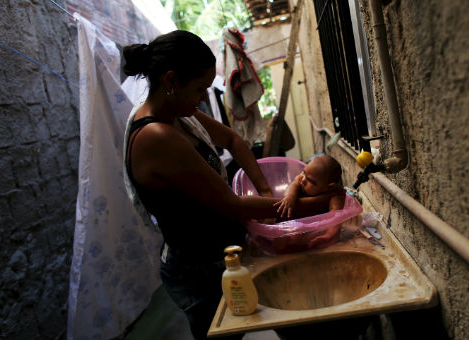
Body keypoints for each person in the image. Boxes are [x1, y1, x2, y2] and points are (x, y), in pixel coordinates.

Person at [121, 31, 335, 340]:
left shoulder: (180, 115)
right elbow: (230, 204)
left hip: (221, 255)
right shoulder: (157, 136)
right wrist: (320, 203)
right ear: (170, 80)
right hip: (196, 271)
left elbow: (233, 139)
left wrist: (264, 190)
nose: (201, 99)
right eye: (199, 89)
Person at [271, 155, 346, 253]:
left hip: (312, 229)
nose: (303, 179)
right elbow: (292, 186)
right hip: (294, 220)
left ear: (329, 186)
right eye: (304, 172)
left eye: (310, 180)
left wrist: (329, 234)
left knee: (299, 236)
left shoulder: (335, 194)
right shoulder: (301, 180)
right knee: (282, 225)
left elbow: (336, 216)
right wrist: (289, 197)